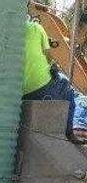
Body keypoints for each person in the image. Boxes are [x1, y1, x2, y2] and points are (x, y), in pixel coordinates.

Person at [23, 14, 87, 143]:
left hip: (20, 90)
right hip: (40, 87)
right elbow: (50, 55)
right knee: (66, 85)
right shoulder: (36, 28)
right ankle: (73, 129)